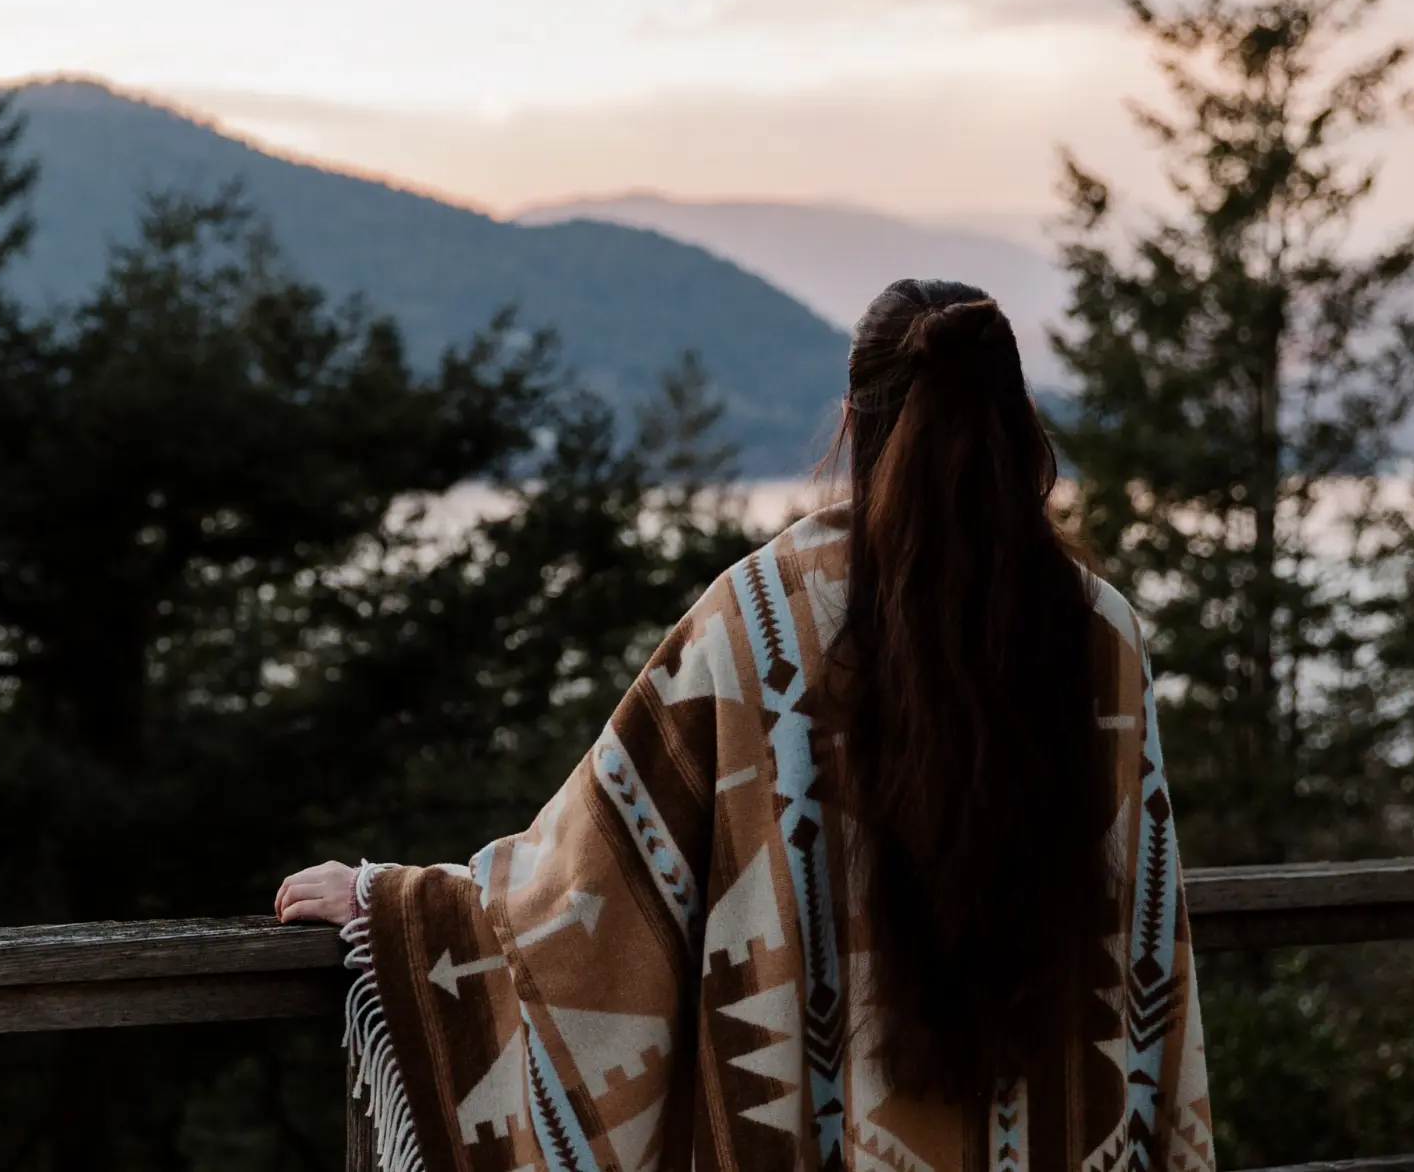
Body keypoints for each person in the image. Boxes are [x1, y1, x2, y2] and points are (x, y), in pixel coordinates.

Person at [276, 280, 1213, 1172]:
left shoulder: (759, 620)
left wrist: (397, 907)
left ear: (853, 423)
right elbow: (1144, 929)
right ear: (1015, 423)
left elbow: (591, 879)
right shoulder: (1102, 634)